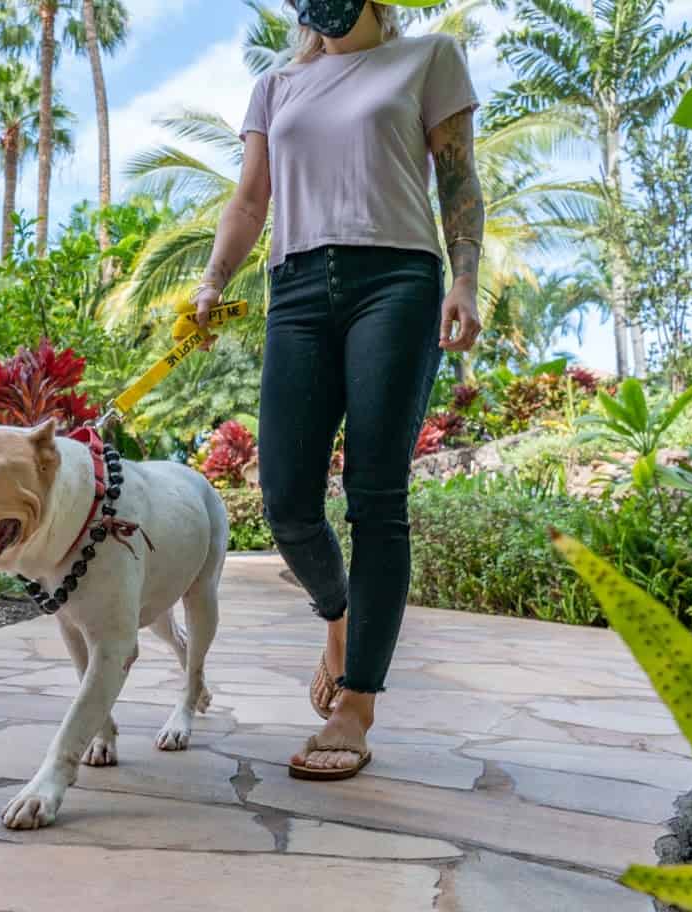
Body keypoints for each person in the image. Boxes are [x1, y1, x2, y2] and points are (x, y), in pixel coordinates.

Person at [192, 0, 484, 780]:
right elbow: (250, 200)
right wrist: (215, 278)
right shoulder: (278, 85)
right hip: (295, 286)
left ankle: (356, 704)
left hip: (396, 277)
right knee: (285, 496)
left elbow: (458, 177)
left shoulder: (427, 57)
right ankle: (339, 613)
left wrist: (465, 279)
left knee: (375, 493)